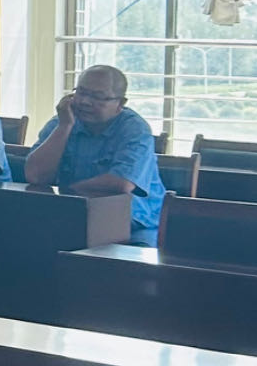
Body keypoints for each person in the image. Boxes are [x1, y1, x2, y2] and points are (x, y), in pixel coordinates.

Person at [26, 64, 166, 246]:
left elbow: (121, 183)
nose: (85, 102)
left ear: (120, 104)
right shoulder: (63, 121)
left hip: (134, 222)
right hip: (75, 215)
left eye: (97, 97)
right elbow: (35, 176)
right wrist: (64, 126)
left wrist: (69, 193)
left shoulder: (134, 129)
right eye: (81, 93)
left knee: (127, 257)